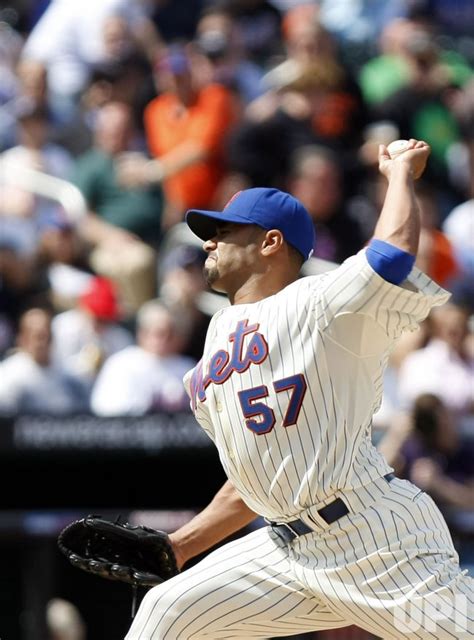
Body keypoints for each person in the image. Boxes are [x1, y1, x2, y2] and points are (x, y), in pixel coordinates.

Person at [125, 140, 473, 639]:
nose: (208, 242)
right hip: (283, 550)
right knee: (165, 613)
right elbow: (256, 478)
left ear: (270, 243)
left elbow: (392, 255)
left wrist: (399, 174)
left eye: (223, 231)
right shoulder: (217, 336)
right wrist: (179, 545)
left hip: (374, 540)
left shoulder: (322, 305)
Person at [90, 298, 196, 416]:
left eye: (172, 333)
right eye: (160, 332)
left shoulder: (189, 368)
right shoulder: (122, 364)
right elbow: (106, 410)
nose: (165, 339)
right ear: (143, 332)